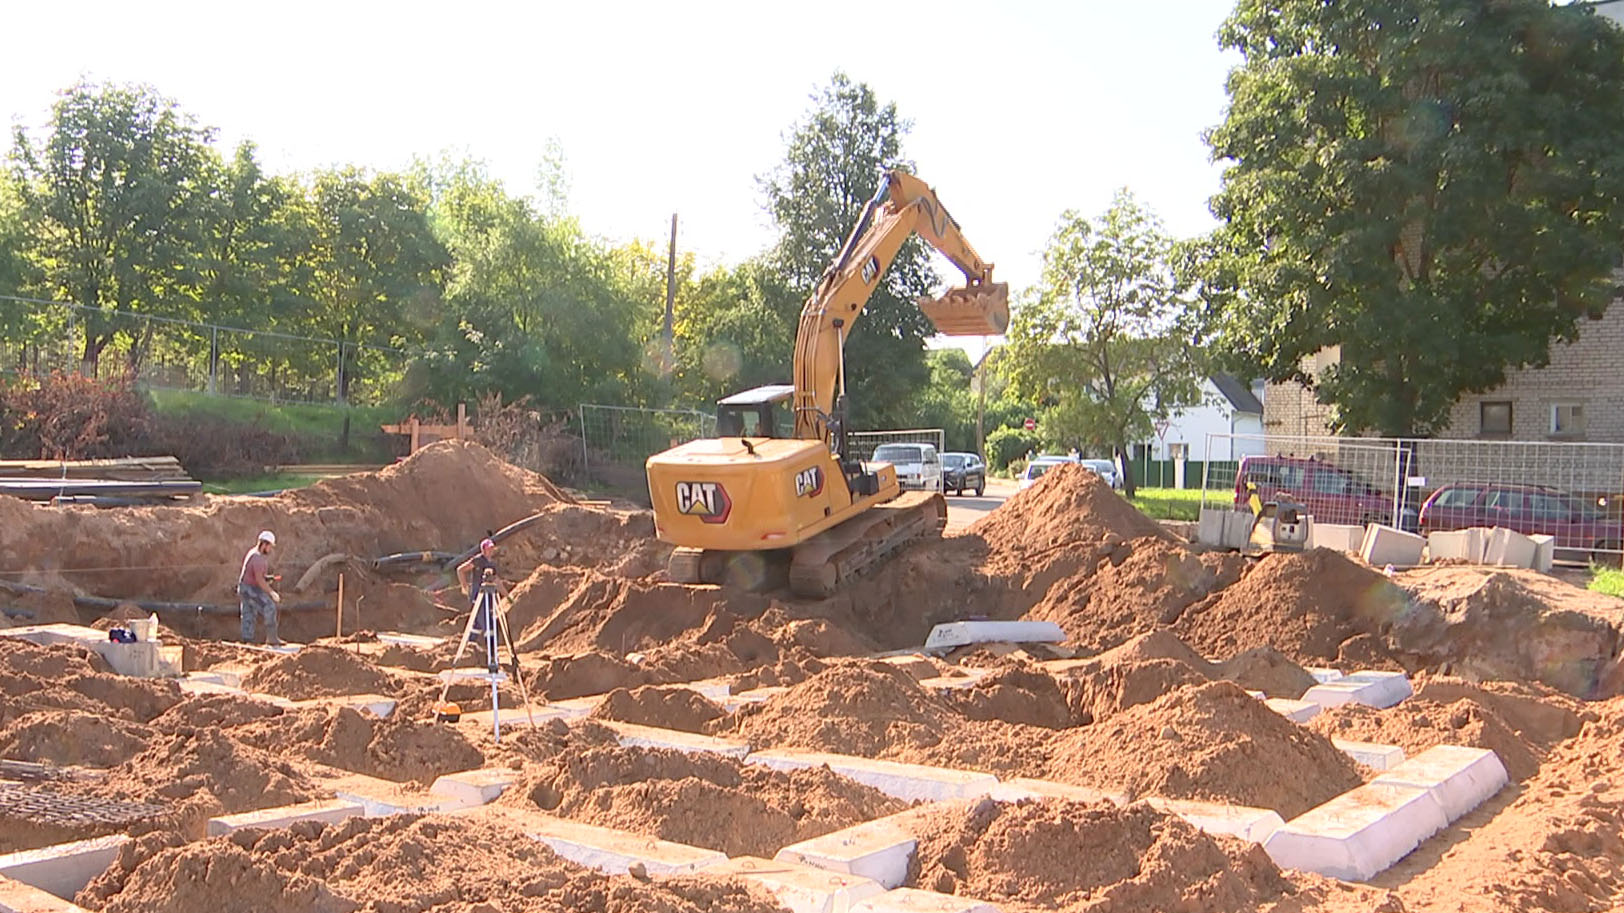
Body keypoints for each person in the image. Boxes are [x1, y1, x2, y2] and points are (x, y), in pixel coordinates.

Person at [456, 537, 509, 642]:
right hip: (478, 597)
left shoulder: (492, 564)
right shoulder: (478, 560)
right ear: (483, 550)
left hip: (488, 597)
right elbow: (460, 570)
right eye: (489, 548)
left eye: (492, 548)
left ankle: (470, 646)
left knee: (477, 625)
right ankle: (492, 654)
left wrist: (508, 596)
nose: (491, 550)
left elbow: (497, 581)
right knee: (488, 625)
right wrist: (465, 586)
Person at [239, 530, 282, 645]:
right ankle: (272, 639)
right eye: (269, 547)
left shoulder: (253, 553)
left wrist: (267, 578)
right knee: (270, 606)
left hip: (244, 587)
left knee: (249, 613)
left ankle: (247, 640)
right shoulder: (258, 558)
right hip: (250, 589)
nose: (270, 550)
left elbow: (256, 575)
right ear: (264, 544)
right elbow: (259, 580)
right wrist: (271, 592)